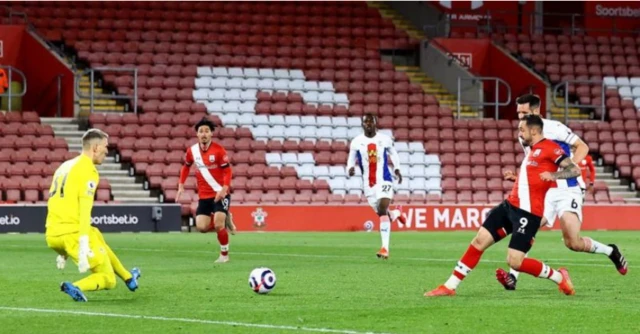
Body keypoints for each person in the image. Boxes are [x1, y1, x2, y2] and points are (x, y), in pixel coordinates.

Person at [426, 114, 581, 297]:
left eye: (522, 130)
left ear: (533, 130)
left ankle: (559, 277)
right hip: (509, 206)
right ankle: (449, 286)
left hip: (528, 213)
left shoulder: (550, 148)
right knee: (479, 241)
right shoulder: (532, 149)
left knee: (514, 261)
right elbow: (532, 179)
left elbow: (574, 170)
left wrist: (554, 176)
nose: (519, 133)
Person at [496, 94, 627, 290]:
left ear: (535, 111)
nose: (520, 116)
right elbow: (535, 163)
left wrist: (563, 170)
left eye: (524, 112)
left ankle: (610, 251)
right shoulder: (523, 134)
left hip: (568, 188)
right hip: (544, 190)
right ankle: (514, 275)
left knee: (573, 242)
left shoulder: (554, 127)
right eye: (518, 113)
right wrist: (520, 177)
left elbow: (582, 146)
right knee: (528, 226)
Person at [45, 129, 140, 302]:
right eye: (105, 146)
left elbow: (53, 201)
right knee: (109, 279)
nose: (107, 150)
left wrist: (62, 251)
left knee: (95, 233)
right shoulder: (88, 170)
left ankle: (128, 278)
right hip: (72, 234)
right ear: (95, 147)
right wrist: (82, 245)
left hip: (52, 235)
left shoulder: (64, 166)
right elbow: (85, 211)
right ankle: (76, 287)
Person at [346, 113, 406, 259]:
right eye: (365, 122)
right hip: (368, 185)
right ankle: (397, 213)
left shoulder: (384, 139)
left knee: (382, 207)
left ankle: (385, 248)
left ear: (375, 123)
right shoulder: (356, 142)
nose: (368, 124)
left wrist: (397, 168)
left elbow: (394, 153)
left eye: (370, 121)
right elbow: (350, 160)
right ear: (362, 125)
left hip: (385, 180)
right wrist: (350, 169)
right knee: (383, 214)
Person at [177, 117, 233, 263]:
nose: (204, 134)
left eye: (206, 131)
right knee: (201, 227)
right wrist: (181, 184)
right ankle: (225, 217)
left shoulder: (219, 150)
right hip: (204, 196)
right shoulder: (192, 151)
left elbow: (228, 171)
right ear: (197, 134)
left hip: (220, 193)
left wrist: (224, 189)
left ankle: (224, 255)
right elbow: (186, 166)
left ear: (211, 134)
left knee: (219, 224)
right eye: (201, 131)